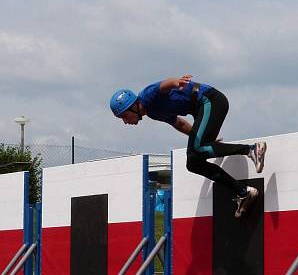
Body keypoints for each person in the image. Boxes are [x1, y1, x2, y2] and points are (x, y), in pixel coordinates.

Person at [110, 75, 267, 218]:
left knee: (198, 149)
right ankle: (244, 192)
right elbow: (179, 123)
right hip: (201, 111)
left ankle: (251, 149)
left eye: (124, 116)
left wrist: (175, 82)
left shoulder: (147, 96)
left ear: (133, 106)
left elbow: (164, 85)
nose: (125, 121)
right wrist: (201, 136)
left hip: (210, 100)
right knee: (193, 163)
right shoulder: (153, 113)